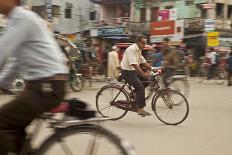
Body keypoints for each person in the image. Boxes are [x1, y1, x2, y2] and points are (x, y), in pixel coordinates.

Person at [0, 1, 68, 154]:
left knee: (2, 120)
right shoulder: (17, 20)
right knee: (14, 125)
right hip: (42, 86)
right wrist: (3, 83)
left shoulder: (22, 18)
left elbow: (2, 51)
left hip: (47, 87)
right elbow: (16, 62)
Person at [121, 35, 152, 116]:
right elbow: (134, 64)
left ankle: (132, 94)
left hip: (133, 72)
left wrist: (151, 68)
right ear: (138, 42)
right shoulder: (131, 49)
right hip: (127, 72)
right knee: (141, 88)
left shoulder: (139, 50)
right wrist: (143, 73)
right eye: (143, 43)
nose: (144, 44)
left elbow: (142, 60)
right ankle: (140, 110)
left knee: (147, 81)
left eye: (145, 43)